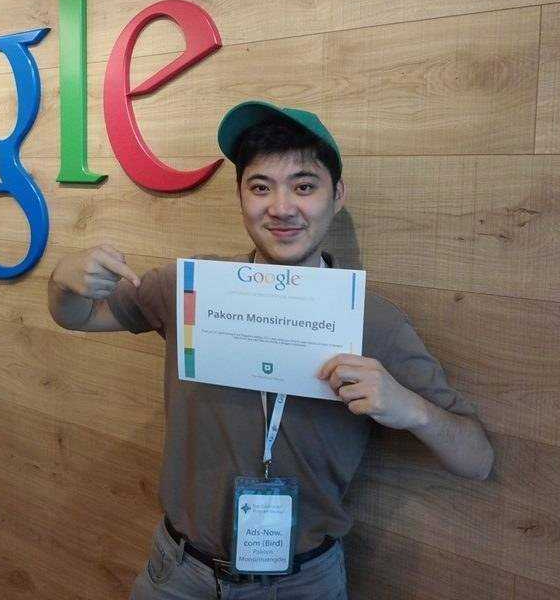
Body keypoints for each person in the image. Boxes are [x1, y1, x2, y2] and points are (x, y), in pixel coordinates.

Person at [48, 101, 494, 599]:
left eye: (304, 186)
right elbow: (78, 316)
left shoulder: (375, 322)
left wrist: (411, 408)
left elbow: (477, 459)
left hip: (302, 582)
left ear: (337, 195)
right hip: (179, 571)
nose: (281, 208)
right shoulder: (189, 289)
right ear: (240, 196)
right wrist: (63, 282)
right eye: (260, 187)